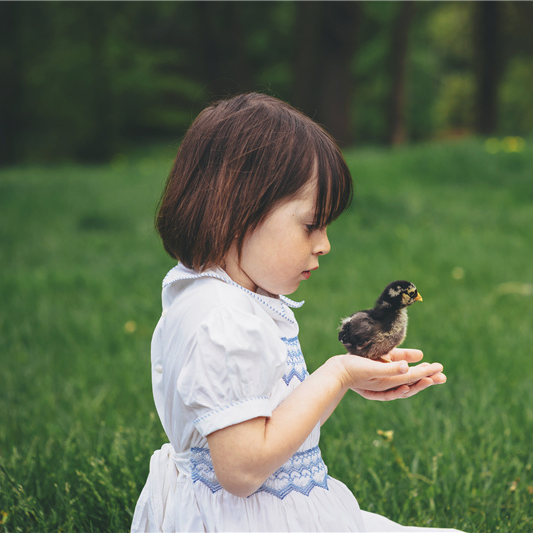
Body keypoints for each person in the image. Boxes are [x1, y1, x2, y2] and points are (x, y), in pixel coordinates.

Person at [132, 93, 461, 532]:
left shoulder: (230, 299)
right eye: (311, 225)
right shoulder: (223, 319)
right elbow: (244, 471)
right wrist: (335, 375)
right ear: (236, 211)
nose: (324, 243)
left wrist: (349, 379)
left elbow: (272, 426)